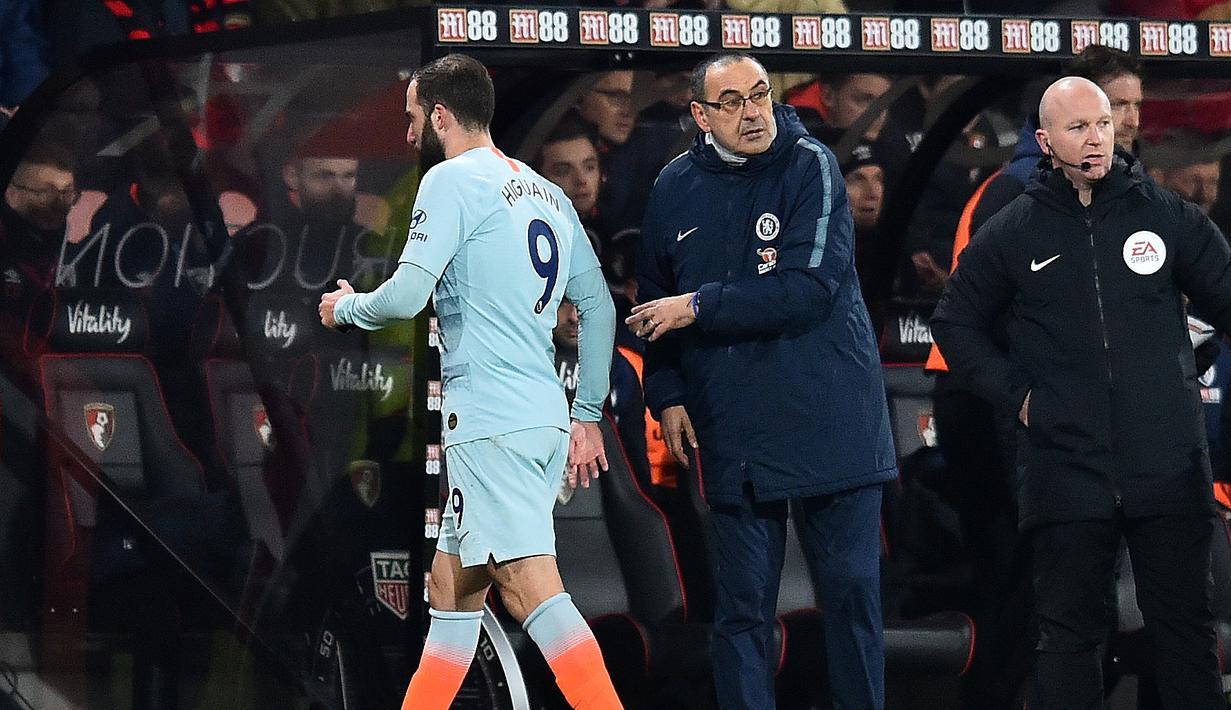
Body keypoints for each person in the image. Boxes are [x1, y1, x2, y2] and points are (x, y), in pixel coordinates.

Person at [316, 53, 622, 710]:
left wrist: (345, 308)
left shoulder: (452, 181)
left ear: (441, 115)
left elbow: (404, 297)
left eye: (410, 119)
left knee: (532, 584)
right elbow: (598, 308)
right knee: (450, 591)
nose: (406, 135)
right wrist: (587, 409)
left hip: (492, 423)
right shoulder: (546, 191)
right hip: (539, 414)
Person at [931, 76, 1231, 710]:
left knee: (1186, 633)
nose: (1096, 137)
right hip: (1066, 467)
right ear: (1045, 140)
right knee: (1068, 638)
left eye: (1102, 123)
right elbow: (955, 322)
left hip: (1168, 465)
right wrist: (1017, 395)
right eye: (1078, 128)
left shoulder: (1163, 212)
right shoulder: (1016, 228)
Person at [629, 52, 897, 710]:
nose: (752, 112)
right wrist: (665, 395)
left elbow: (805, 290)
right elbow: (652, 301)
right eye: (732, 102)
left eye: (758, 96)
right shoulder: (673, 186)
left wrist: (698, 306)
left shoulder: (811, 165)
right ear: (699, 115)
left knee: (851, 602)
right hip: (734, 422)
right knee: (742, 611)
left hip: (829, 417)